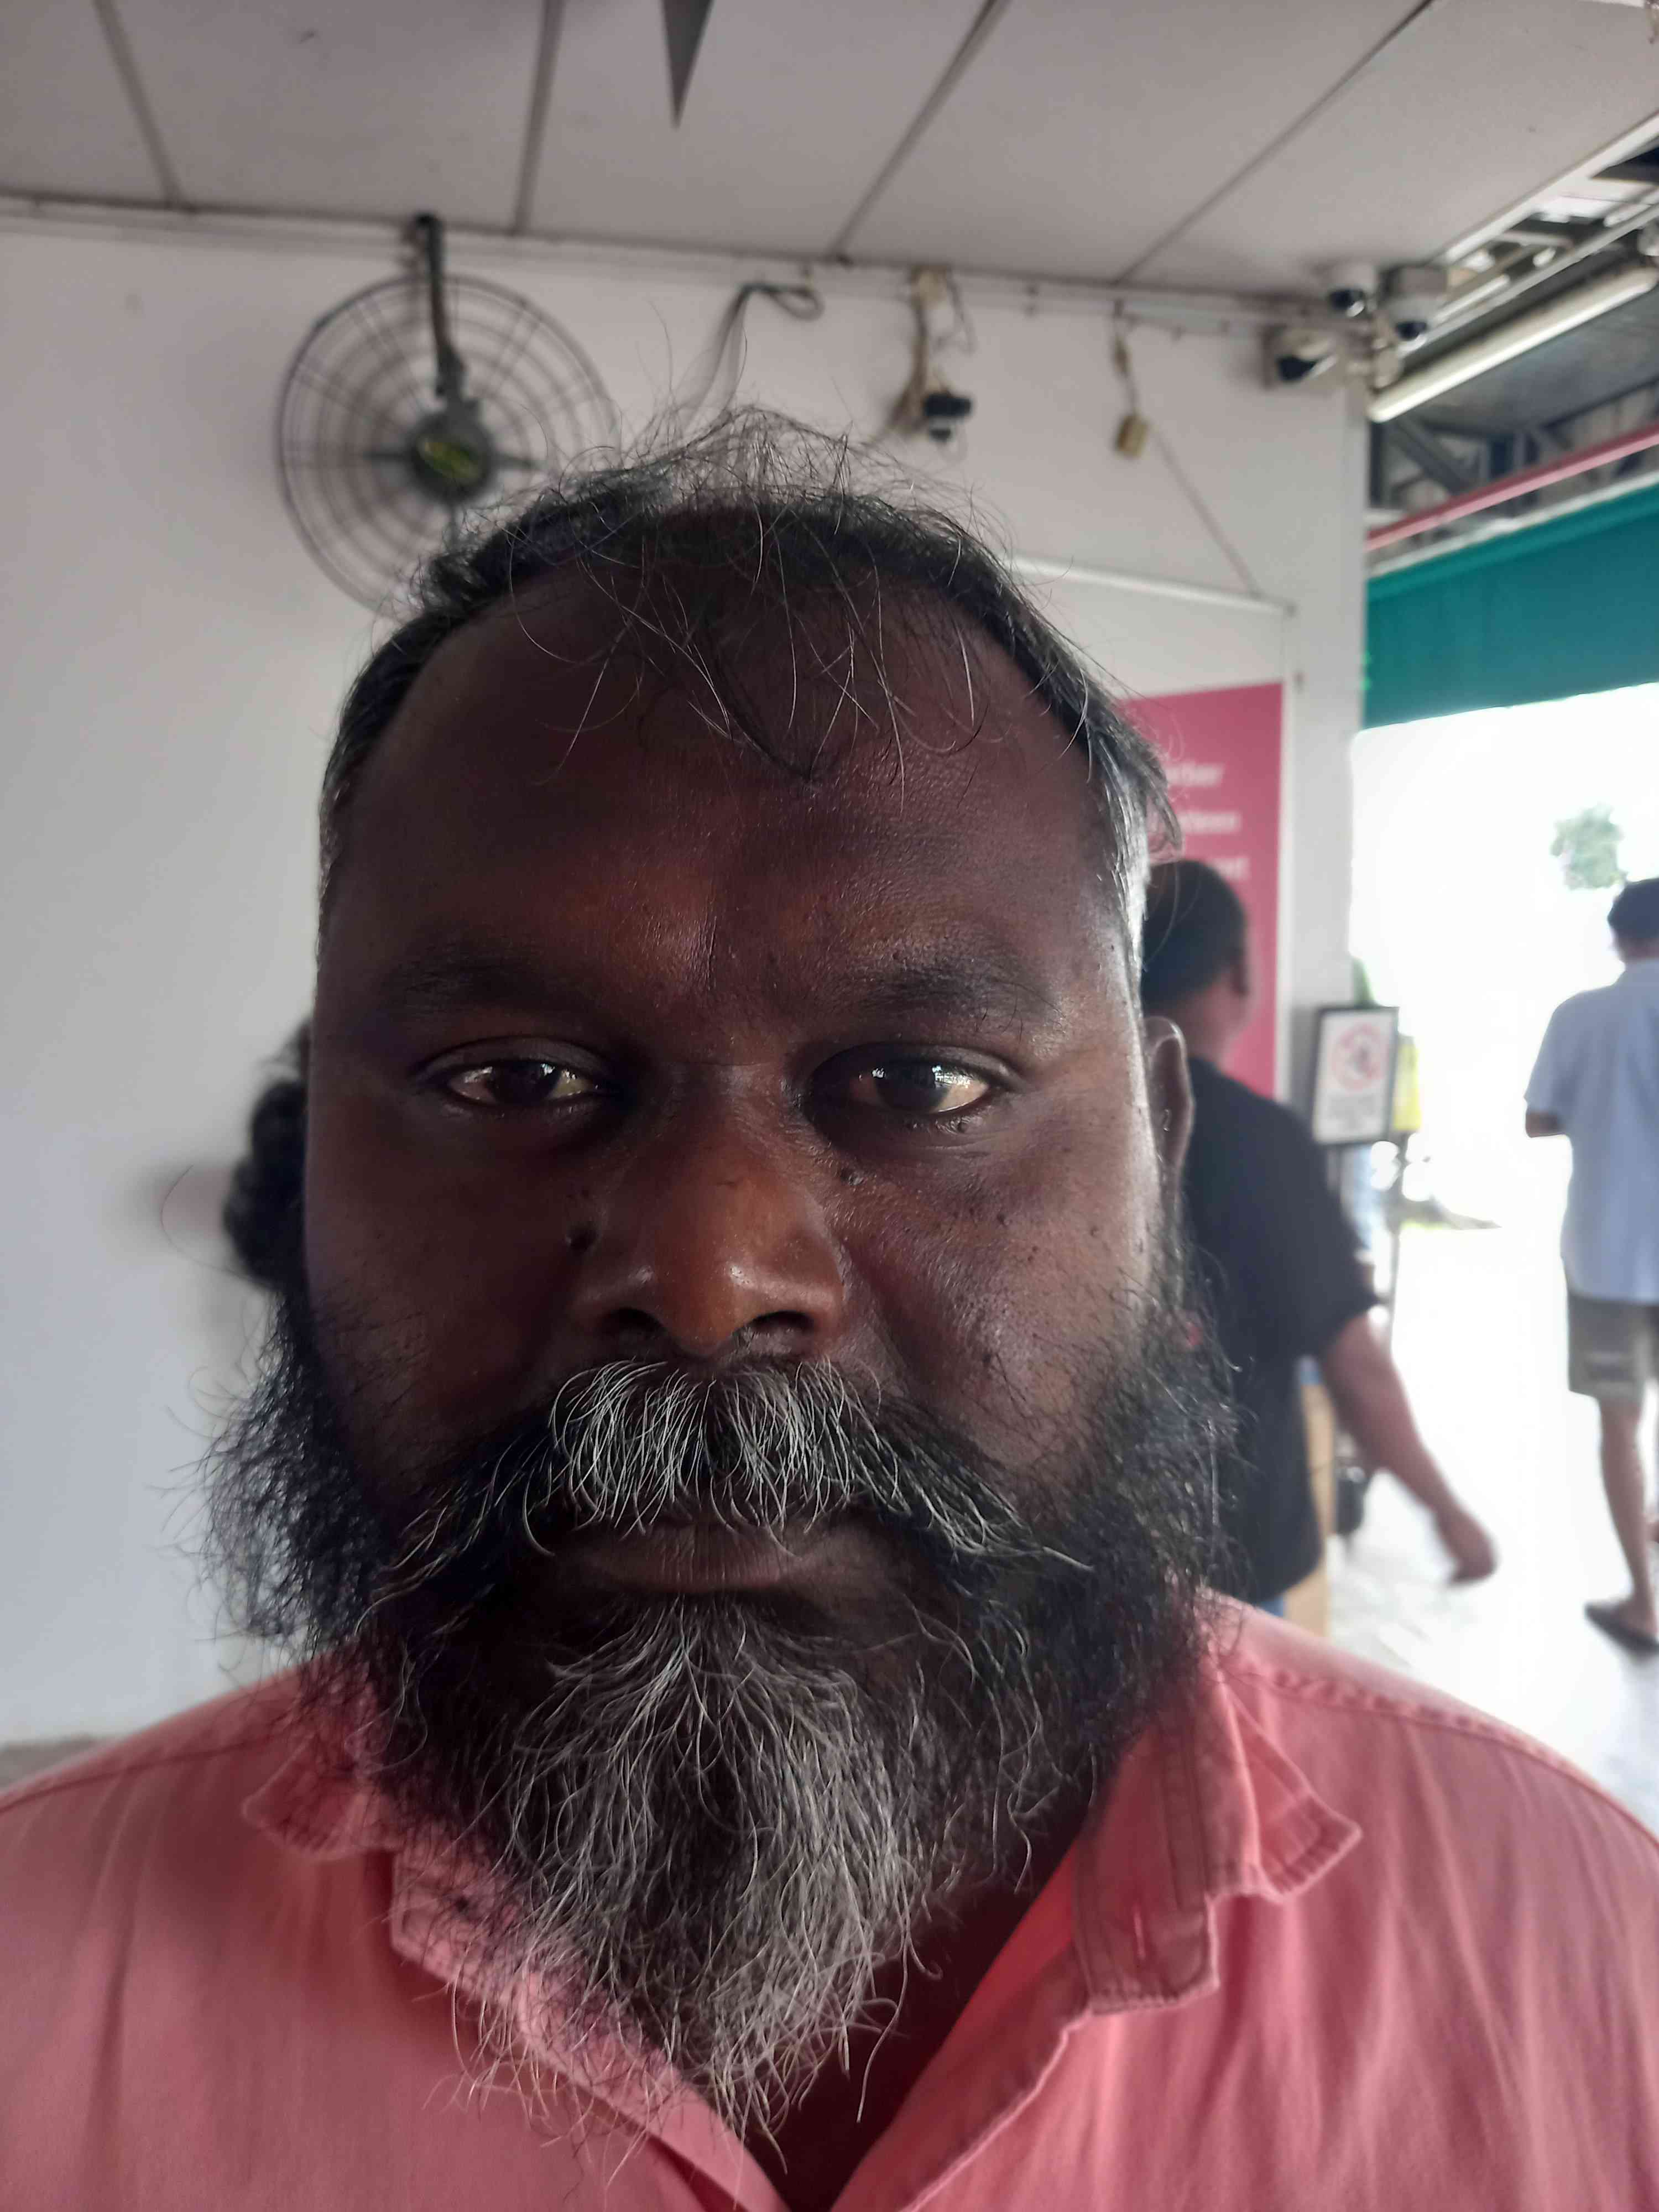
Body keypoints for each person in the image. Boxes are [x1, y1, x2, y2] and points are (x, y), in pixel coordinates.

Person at [2, 418, 1655, 2210]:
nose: (712, 1280)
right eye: (511, 1078)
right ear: (318, 1139)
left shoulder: (1587, 1971)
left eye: (923, 1082)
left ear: (1161, 1152)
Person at [1141, 858, 1498, 1609]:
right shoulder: (1259, 1141)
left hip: (1086, 1553)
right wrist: (1447, 1510)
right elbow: (1355, 1369)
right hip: (1229, 1551)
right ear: (1240, 973)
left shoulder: (1054, 1127)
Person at [1526, 873, 1659, 1654]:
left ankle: (1644, 1601)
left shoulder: (1580, 1015)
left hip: (1607, 1253)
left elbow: (1539, 1120)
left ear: (1618, 938)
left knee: (1620, 1423)